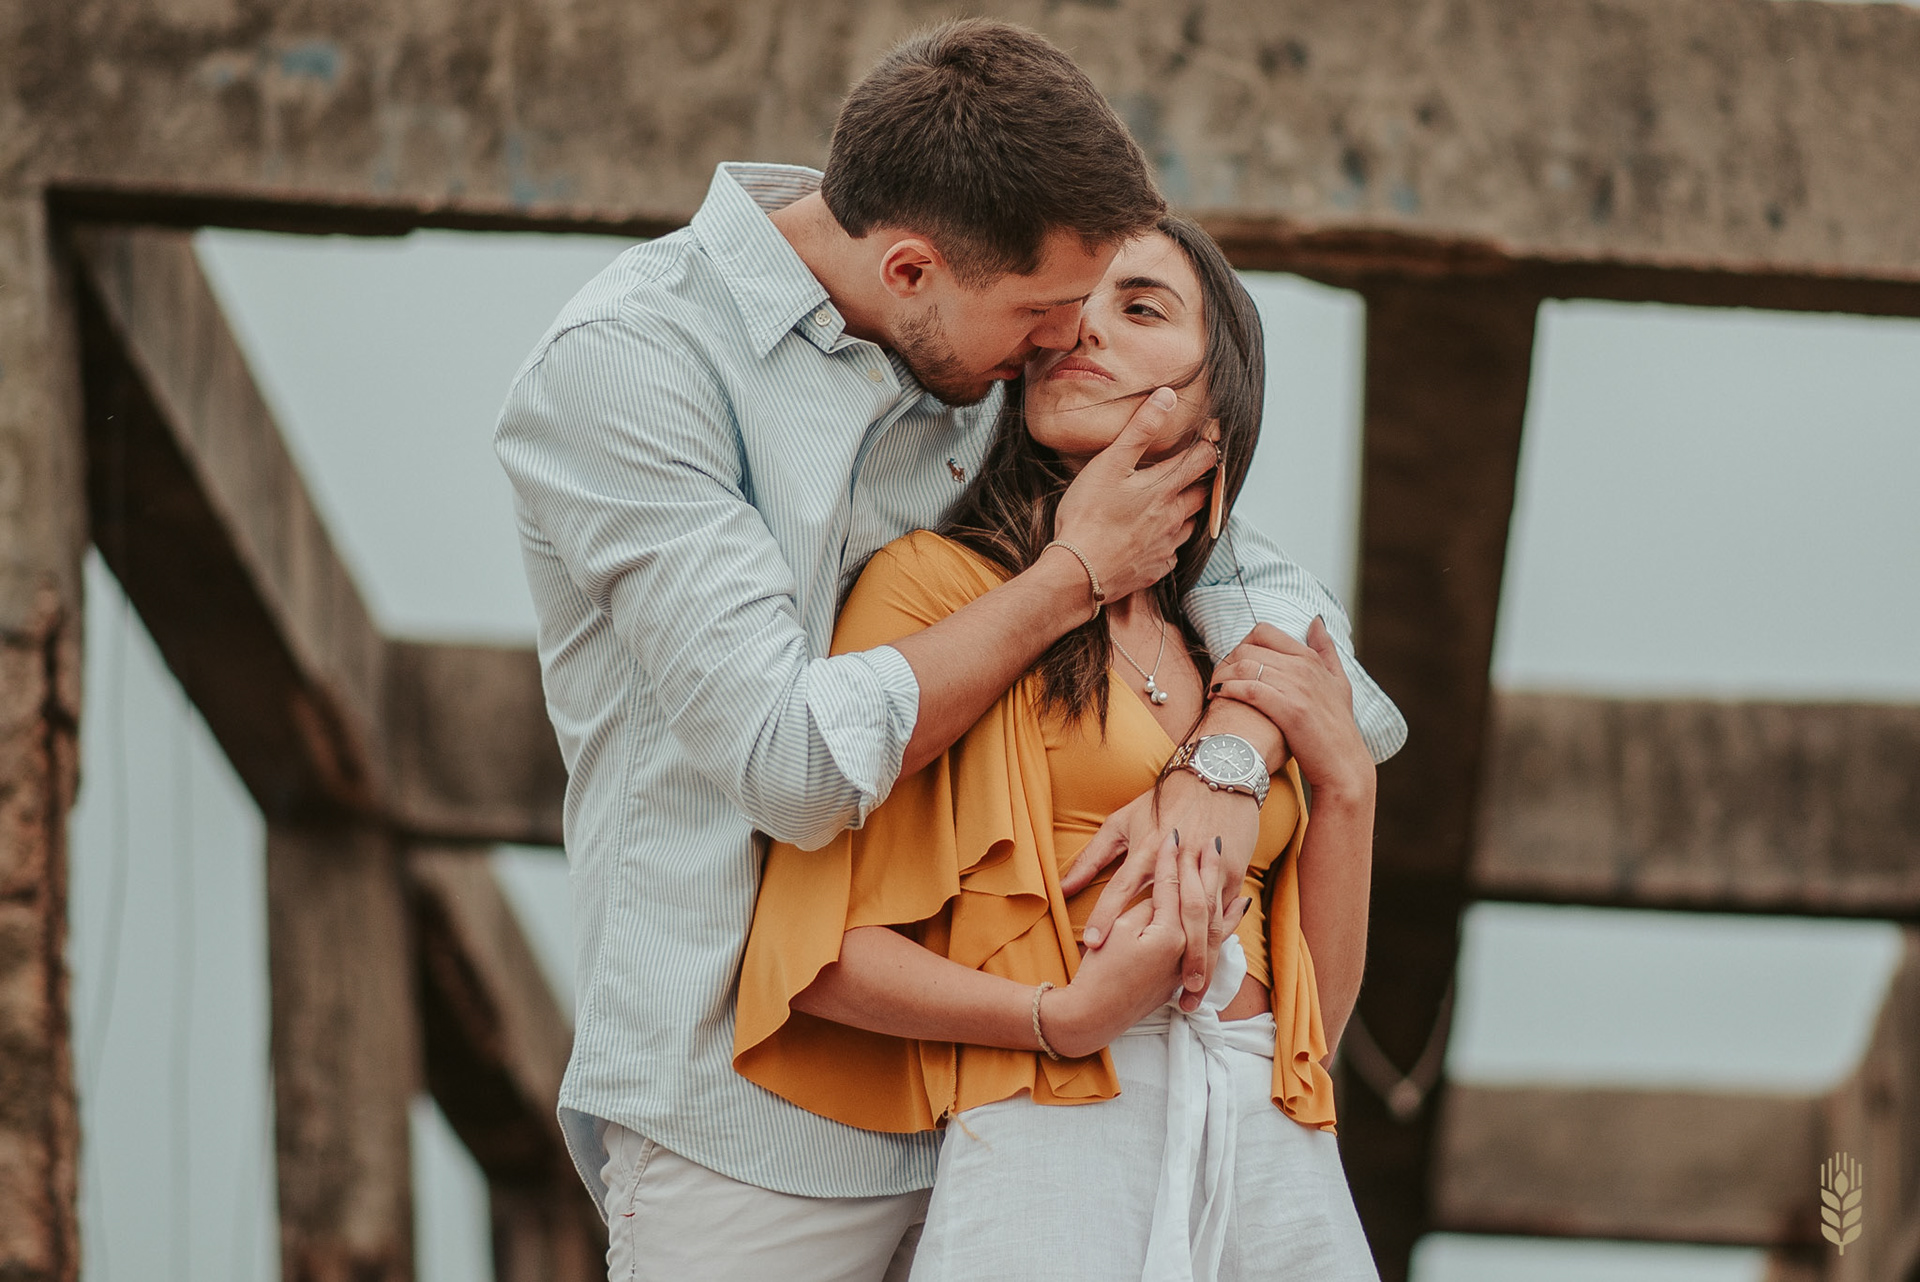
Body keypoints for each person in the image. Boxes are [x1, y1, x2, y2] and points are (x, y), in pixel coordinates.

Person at [496, 18, 1403, 1280]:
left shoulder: (987, 365)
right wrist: (1071, 574)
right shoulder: (632, 371)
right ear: (912, 271)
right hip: (758, 1130)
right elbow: (788, 757)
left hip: (1019, 1125)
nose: (1062, 344)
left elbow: (1279, 606)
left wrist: (1225, 761)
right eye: (1044, 313)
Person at [735, 218, 1380, 1281]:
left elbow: (1315, 1022)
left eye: (1141, 308)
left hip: (1273, 1157)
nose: (1087, 328)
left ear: (1220, 396)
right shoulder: (936, 587)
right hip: (1054, 1131)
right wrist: (1061, 1017)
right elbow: (816, 958)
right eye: (1074, 305)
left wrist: (1348, 784)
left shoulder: (1245, 656)